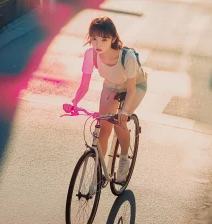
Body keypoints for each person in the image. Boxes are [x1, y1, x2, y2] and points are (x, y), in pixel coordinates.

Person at [63, 16, 148, 182]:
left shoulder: (127, 57)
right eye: (94, 38)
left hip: (135, 86)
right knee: (104, 128)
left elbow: (130, 90)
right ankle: (98, 168)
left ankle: (123, 159)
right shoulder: (91, 55)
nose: (97, 44)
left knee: (118, 124)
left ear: (113, 39)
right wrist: (73, 103)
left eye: (103, 39)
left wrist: (123, 111)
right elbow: (84, 86)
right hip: (111, 86)